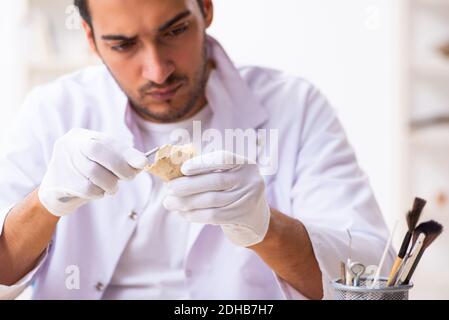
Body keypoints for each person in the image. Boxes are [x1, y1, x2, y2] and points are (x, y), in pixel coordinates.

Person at [0, 0, 394, 300]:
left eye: (174, 31)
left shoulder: (295, 108)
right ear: (89, 38)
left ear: (205, 8)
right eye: (123, 45)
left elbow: (372, 285)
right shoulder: (53, 110)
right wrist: (45, 203)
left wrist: (263, 228)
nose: (157, 70)